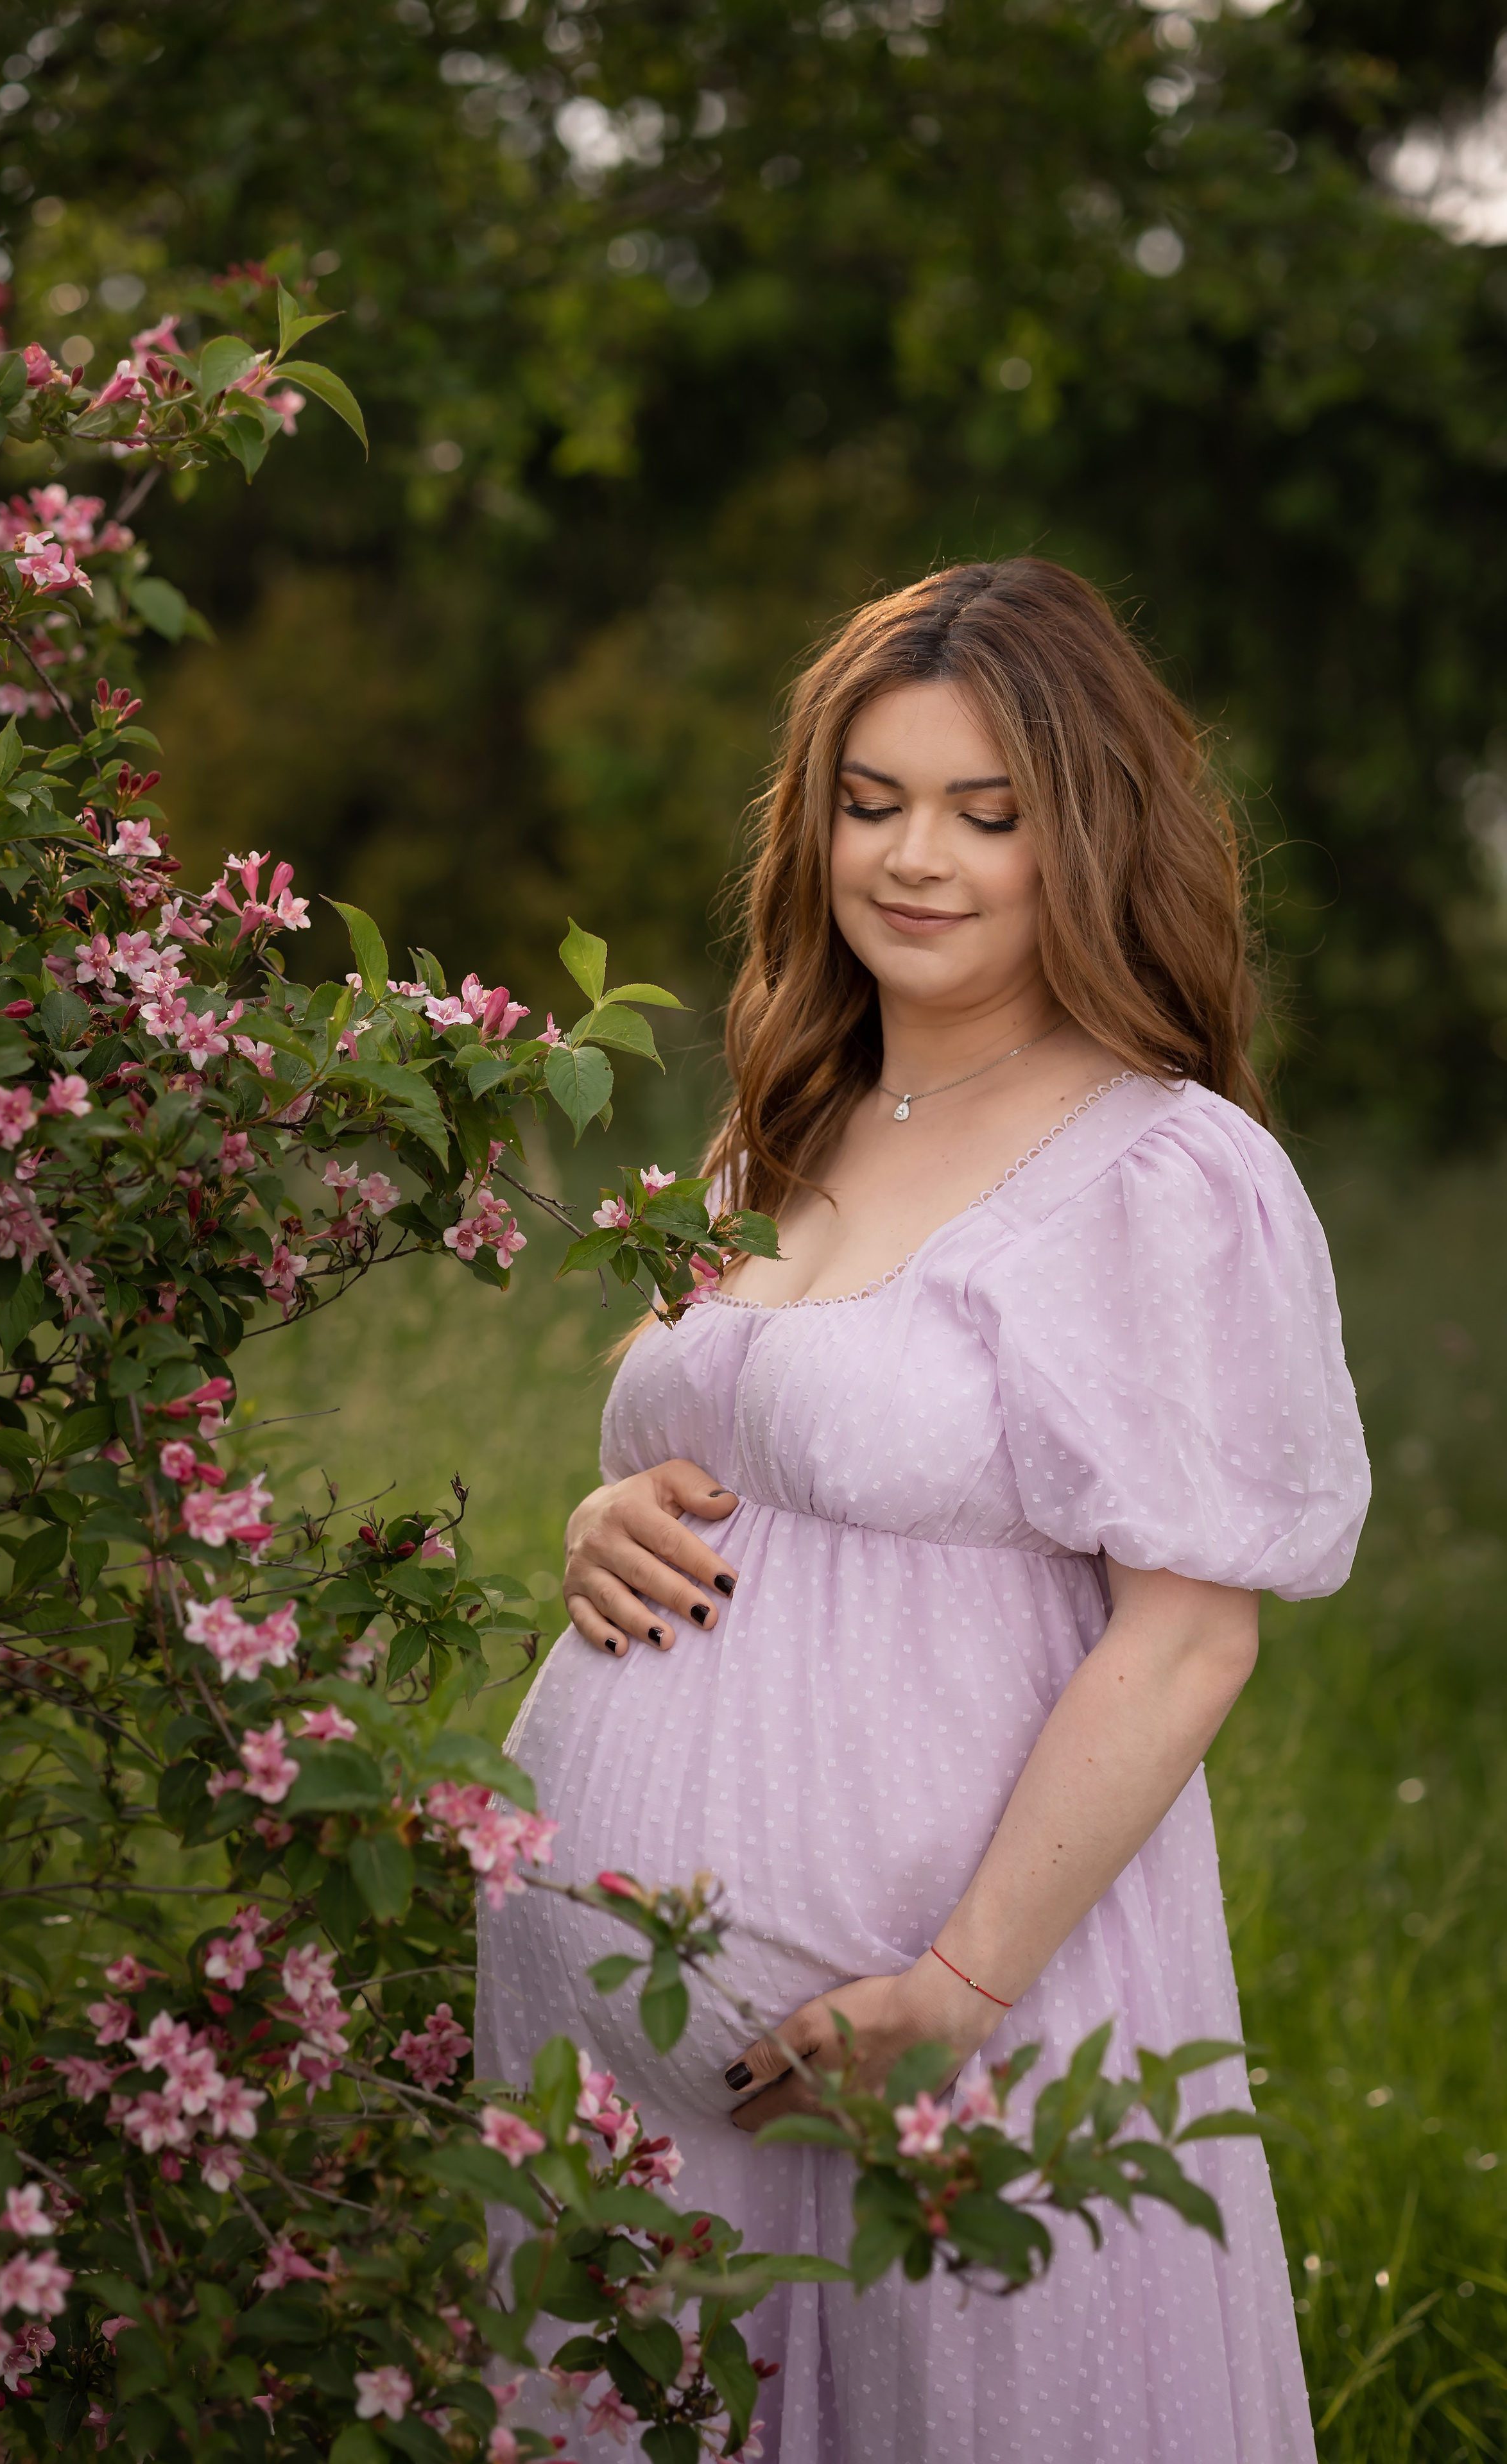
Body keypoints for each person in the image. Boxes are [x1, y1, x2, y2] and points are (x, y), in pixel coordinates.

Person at [478, 557, 1370, 2463]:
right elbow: (762, 1468)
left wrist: (954, 1988)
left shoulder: (1162, 1171)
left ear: (1092, 834)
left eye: (990, 812)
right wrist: (597, 1521)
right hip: (629, 2076)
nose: (917, 860)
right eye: (872, 803)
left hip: (956, 2016)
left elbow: (1195, 1629)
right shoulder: (783, 1124)